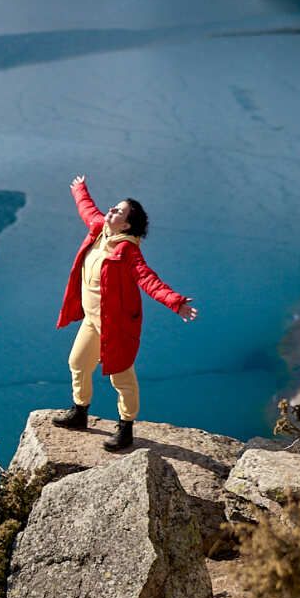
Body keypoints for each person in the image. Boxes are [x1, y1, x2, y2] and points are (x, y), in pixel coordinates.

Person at [52, 172, 198, 452]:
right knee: (78, 362)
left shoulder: (128, 252)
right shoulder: (99, 230)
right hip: (93, 322)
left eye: (118, 210)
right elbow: (88, 209)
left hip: (115, 325)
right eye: (113, 207)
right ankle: (80, 413)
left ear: (127, 224)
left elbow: (148, 279)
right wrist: (79, 189)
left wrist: (175, 302)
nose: (111, 210)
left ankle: (126, 428)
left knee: (121, 377)